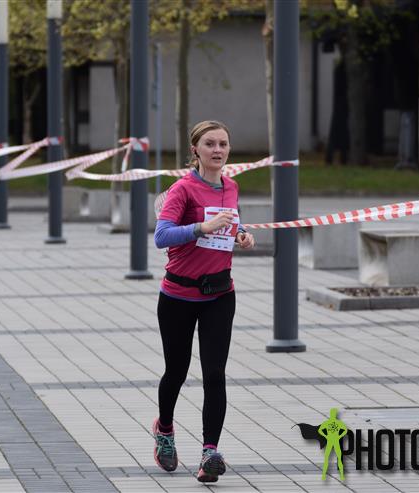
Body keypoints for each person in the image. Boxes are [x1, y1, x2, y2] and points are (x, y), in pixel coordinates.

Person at [151, 120, 255, 483]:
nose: (218, 150)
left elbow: (231, 223)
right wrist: (201, 228)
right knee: (176, 372)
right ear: (195, 149)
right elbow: (161, 236)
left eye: (223, 144)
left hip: (219, 294)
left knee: (214, 373)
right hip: (178, 295)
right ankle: (165, 429)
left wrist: (241, 234)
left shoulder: (232, 186)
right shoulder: (183, 189)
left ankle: (210, 452)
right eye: (210, 143)